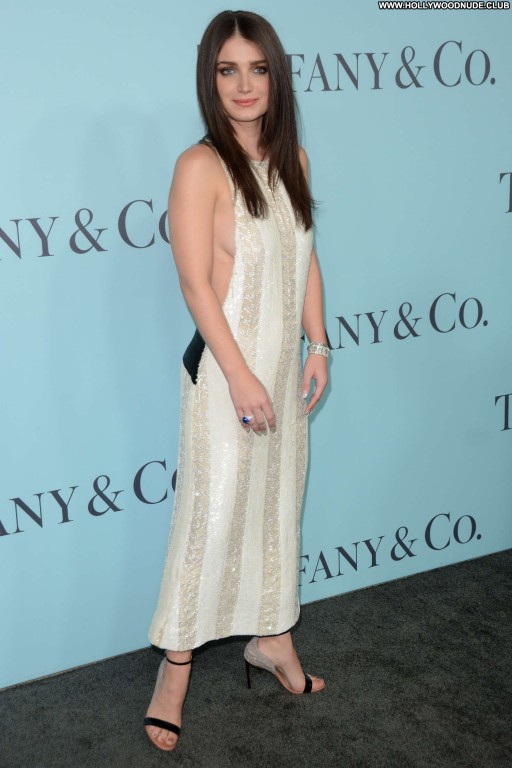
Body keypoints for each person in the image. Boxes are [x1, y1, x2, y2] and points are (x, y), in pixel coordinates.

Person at [144, 9, 330, 752]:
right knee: (211, 519)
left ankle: (272, 638)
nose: (244, 85)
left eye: (257, 69)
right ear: (210, 78)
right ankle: (175, 672)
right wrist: (241, 375)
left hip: (284, 375)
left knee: (278, 508)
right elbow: (194, 284)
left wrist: (321, 345)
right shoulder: (199, 167)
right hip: (225, 378)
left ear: (275, 77)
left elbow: (306, 257)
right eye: (228, 69)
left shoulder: (295, 161)